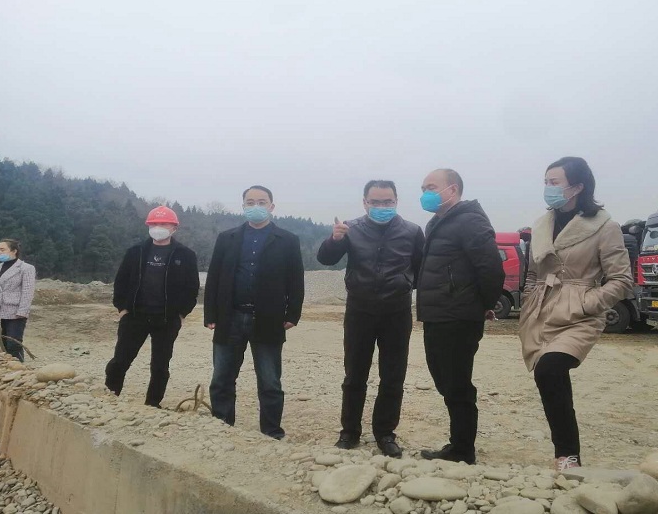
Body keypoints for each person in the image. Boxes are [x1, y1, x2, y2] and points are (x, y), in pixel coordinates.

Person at [518, 157, 632, 471]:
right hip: (542, 310)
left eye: (554, 182)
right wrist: (528, 302)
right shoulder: (541, 225)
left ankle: (568, 457)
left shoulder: (604, 226)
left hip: (579, 315)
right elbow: (533, 273)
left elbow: (622, 279)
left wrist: (586, 302)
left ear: (577, 186)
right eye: (546, 182)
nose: (548, 188)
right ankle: (567, 457)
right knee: (548, 374)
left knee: (550, 369)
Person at [317, 180, 424, 458]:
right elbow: (326, 259)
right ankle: (349, 432)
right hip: (359, 311)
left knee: (393, 376)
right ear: (365, 203)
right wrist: (334, 240)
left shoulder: (412, 231)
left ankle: (385, 433)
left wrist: (401, 285)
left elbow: (419, 269)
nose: (381, 207)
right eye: (375, 202)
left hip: (397, 312)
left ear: (396, 201)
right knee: (355, 374)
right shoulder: (350, 229)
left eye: (387, 201)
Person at [416, 169, 505, 464]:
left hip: (458, 315)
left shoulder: (470, 220)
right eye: (423, 188)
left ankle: (462, 449)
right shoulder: (436, 223)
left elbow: (490, 267)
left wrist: (484, 304)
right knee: (443, 377)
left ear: (452, 190)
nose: (425, 193)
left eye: (431, 187)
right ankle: (459, 444)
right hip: (437, 314)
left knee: (456, 382)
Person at [205, 185, 305, 439]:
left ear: (272, 206)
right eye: (250, 202)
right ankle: (221, 426)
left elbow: (296, 279)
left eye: (261, 202)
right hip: (230, 317)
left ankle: (271, 432)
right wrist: (211, 314)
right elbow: (214, 277)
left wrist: (292, 314)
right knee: (222, 378)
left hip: (268, 319)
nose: (256, 206)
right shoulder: (227, 238)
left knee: (270, 382)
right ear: (243, 206)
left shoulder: (287, 240)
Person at [107, 206, 200, 407]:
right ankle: (109, 397)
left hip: (166, 319)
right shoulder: (135, 252)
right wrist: (122, 309)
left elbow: (192, 288)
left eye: (163, 224)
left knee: (160, 366)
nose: (158, 227)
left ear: (174, 227)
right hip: (135, 316)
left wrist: (181, 314)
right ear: (148, 226)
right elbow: (121, 282)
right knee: (120, 360)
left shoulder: (185, 255)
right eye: (154, 224)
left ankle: (152, 404)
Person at [0, 239, 36, 362]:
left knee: (13, 344)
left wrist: (22, 311)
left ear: (14, 251)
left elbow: (27, 291)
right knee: (3, 342)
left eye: (2, 249)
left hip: (15, 312)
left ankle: (19, 367)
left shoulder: (26, 268)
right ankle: (5, 368)